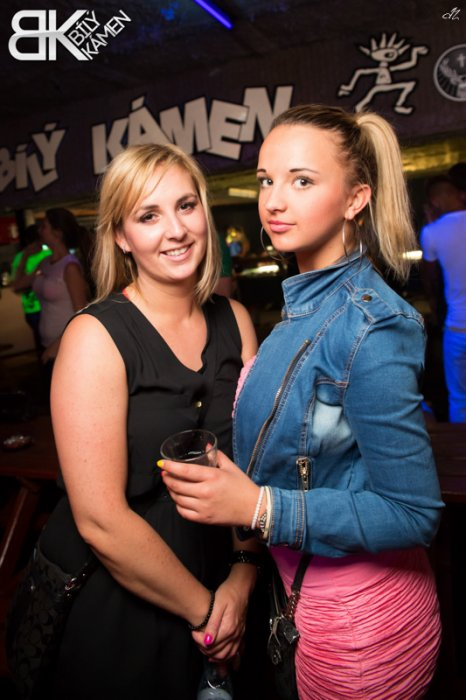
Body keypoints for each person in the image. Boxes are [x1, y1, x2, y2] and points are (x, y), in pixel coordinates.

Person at [161, 104, 444, 699]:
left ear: (355, 199)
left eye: (302, 181)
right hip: (303, 601)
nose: (274, 201)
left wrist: (259, 505)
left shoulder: (373, 325)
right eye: (267, 180)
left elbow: (413, 512)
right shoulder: (308, 304)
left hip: (362, 627)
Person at [37, 144, 259, 699]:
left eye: (186, 206)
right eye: (148, 215)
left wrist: (242, 576)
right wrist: (207, 614)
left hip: (229, 584)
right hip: (126, 609)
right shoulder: (94, 336)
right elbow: (100, 520)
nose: (176, 230)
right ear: (120, 236)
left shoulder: (234, 319)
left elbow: (253, 467)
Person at [12, 208, 89, 366]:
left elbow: (81, 313)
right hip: (47, 342)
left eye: (44, 226)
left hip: (66, 346)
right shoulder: (45, 262)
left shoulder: (70, 267)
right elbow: (17, 285)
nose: (39, 231)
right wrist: (26, 255)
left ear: (57, 233)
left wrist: (58, 344)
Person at [420, 175, 466, 422]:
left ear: (434, 203)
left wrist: (431, 225)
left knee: (459, 399)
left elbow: (430, 278)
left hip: (457, 326)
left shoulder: (432, 232)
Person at [11, 223, 52, 354]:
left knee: (42, 345)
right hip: (41, 306)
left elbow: (15, 285)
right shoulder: (48, 254)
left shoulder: (21, 257)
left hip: (34, 307)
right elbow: (16, 285)